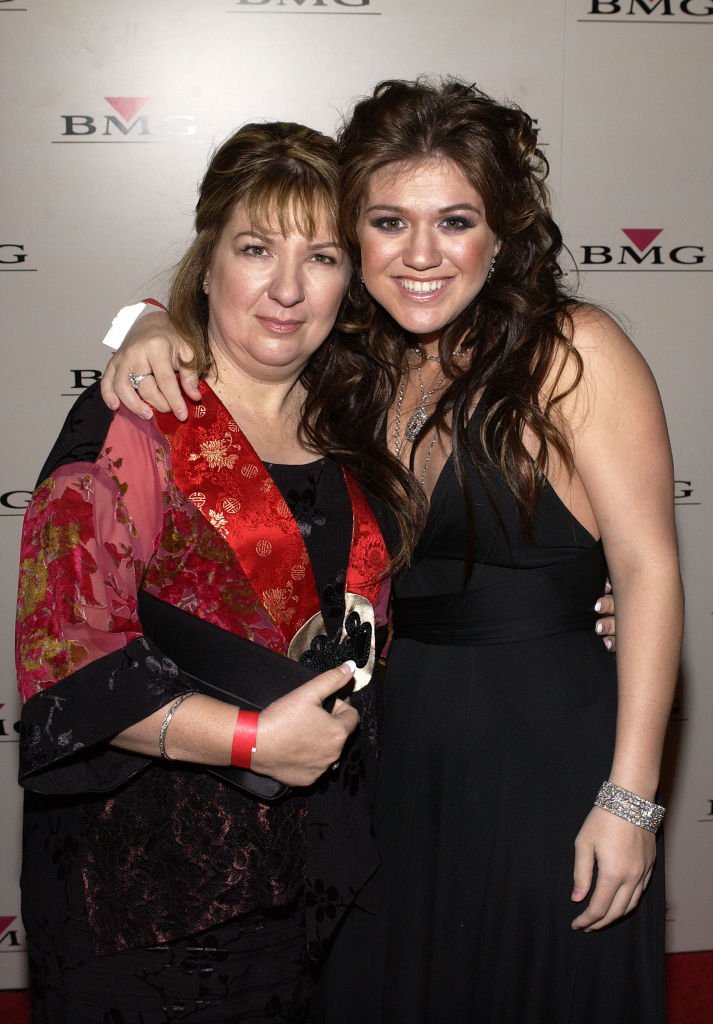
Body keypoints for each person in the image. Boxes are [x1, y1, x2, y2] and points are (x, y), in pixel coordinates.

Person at [97, 82, 643, 1023]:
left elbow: (649, 572)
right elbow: (242, 301)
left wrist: (630, 799)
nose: (422, 254)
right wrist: (142, 320)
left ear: (501, 234)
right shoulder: (355, 363)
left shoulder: (571, 351)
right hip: (385, 751)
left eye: (456, 220)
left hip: (545, 754)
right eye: (390, 222)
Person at [15, 120, 422, 1024]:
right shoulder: (135, 416)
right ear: (208, 266)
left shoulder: (356, 423)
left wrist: (584, 607)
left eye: (320, 257)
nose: (285, 289)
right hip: (152, 901)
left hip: (327, 882)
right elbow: (66, 660)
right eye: (254, 249)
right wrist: (251, 744)